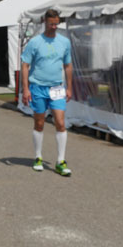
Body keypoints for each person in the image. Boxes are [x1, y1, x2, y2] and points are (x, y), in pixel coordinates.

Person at [21, 9, 73, 176]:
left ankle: (60, 161)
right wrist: (26, 89)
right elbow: (25, 65)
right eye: (51, 24)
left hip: (57, 87)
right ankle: (38, 157)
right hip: (38, 87)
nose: (54, 27)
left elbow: (68, 65)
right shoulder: (35, 42)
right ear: (45, 22)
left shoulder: (64, 42)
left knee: (60, 122)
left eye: (56, 24)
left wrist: (70, 87)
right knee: (40, 123)